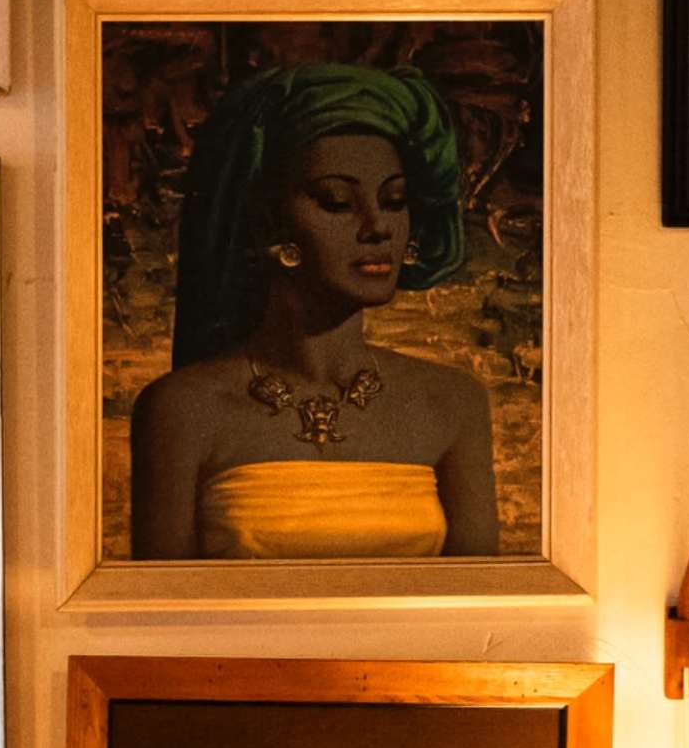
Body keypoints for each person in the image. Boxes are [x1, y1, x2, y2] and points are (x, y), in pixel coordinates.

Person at [126, 61, 500, 561]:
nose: (377, 227)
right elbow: (157, 621)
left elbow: (482, 617)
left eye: (393, 200)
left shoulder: (452, 404)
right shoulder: (182, 409)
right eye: (336, 201)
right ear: (267, 220)